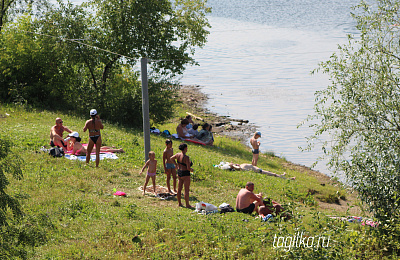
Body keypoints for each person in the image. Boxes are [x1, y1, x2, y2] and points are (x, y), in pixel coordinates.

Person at [170, 143, 194, 208]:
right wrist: (192, 170)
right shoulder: (186, 157)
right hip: (185, 174)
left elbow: (171, 158)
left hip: (179, 172)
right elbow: (188, 168)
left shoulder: (178, 155)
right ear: (185, 148)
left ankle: (179, 203)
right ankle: (187, 204)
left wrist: (176, 164)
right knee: (186, 190)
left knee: (179, 189)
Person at [229, 163, 296, 180]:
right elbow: (238, 168)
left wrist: (232, 164)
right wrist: (233, 166)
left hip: (259, 169)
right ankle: (288, 179)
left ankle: (282, 175)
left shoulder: (242, 165)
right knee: (274, 174)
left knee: (271, 172)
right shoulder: (241, 167)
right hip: (259, 171)